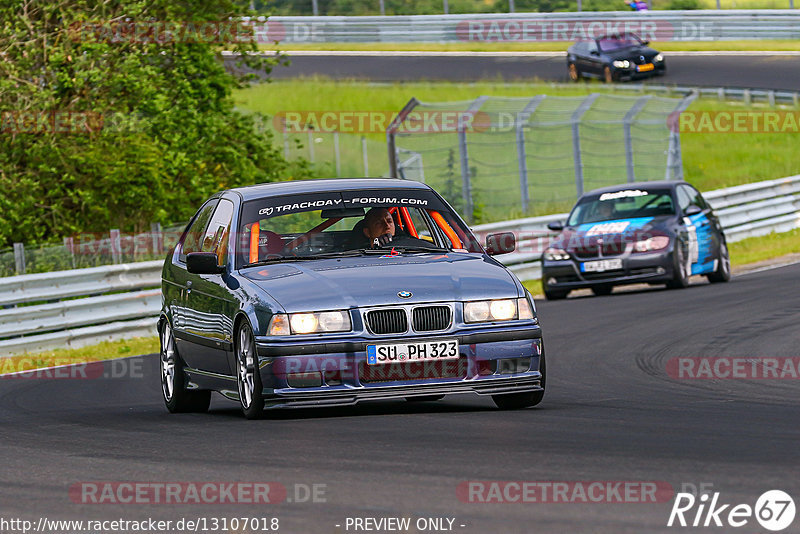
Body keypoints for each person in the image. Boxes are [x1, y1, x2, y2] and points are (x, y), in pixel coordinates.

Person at [348, 207, 435, 250]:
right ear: (367, 232)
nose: (387, 226)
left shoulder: (412, 247)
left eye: (389, 221)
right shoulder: (359, 257)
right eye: (378, 223)